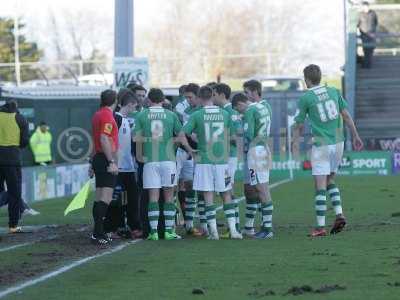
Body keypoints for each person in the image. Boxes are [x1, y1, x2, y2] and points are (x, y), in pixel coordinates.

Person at [292, 64, 363, 237]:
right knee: (330, 179)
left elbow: (299, 124)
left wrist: (294, 142)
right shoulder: (333, 91)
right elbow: (346, 115)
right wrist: (355, 135)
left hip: (321, 144)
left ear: (307, 79)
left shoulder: (306, 98)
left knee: (320, 185)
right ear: (320, 77)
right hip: (339, 142)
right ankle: (339, 214)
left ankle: (320, 227)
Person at [181, 85, 242, 240]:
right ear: (212, 96)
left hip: (204, 160)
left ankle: (213, 232)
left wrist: (191, 146)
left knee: (208, 195)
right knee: (226, 194)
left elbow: (183, 133)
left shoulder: (197, 114)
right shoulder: (224, 114)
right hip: (222, 160)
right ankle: (234, 231)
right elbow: (232, 136)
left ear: (200, 98)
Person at [134, 88, 195, 241]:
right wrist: (189, 150)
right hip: (168, 161)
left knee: (153, 197)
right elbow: (181, 136)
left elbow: (135, 138)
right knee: (168, 196)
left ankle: (153, 232)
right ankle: (168, 231)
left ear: (149, 100)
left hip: (150, 161)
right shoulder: (171, 114)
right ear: (163, 100)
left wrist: (140, 154)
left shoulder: (142, 115)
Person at [234, 80, 274, 239]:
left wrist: (238, 130)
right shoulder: (263, 107)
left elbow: (249, 133)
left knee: (261, 189)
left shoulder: (250, 110)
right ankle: (265, 227)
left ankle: (267, 229)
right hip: (263, 148)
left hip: (255, 151)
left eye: (247, 92)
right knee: (261, 188)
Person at [103, 88, 142, 239]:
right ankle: (112, 228)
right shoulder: (116, 119)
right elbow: (109, 140)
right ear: (130, 104)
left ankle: (132, 226)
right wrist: (112, 162)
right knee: (116, 199)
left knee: (132, 198)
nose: (135, 109)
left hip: (128, 167)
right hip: (118, 168)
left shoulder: (124, 120)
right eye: (135, 106)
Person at [89, 89, 119, 245]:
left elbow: (95, 140)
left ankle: (97, 231)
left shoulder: (97, 114)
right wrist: (111, 161)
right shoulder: (107, 115)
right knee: (105, 198)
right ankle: (98, 233)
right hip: (105, 158)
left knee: (99, 197)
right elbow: (103, 138)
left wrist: (91, 162)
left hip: (98, 158)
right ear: (115, 101)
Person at [212, 83, 242, 235]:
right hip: (228, 156)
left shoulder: (228, 111)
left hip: (228, 157)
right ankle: (235, 227)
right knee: (228, 191)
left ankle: (235, 228)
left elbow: (236, 136)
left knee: (227, 191)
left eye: (214, 94)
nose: (212, 97)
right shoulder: (228, 111)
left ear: (221, 95)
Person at [175, 83, 204, 236]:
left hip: (196, 153)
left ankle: (190, 224)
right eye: (185, 97)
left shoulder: (203, 111)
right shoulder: (183, 110)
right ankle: (171, 222)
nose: (187, 100)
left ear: (198, 97)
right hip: (182, 151)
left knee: (192, 187)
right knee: (172, 186)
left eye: (190, 97)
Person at [0, 99, 29, 233]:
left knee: (2, 192)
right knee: (14, 193)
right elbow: (24, 142)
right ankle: (13, 225)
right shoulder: (20, 118)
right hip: (12, 160)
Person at [358, 1, 378, 69]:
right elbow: (357, 24)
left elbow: (376, 22)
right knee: (365, 50)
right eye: (364, 6)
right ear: (363, 7)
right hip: (364, 35)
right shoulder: (360, 14)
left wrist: (373, 31)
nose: (366, 8)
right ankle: (366, 65)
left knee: (371, 49)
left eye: (367, 6)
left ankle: (369, 66)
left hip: (372, 35)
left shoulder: (373, 13)